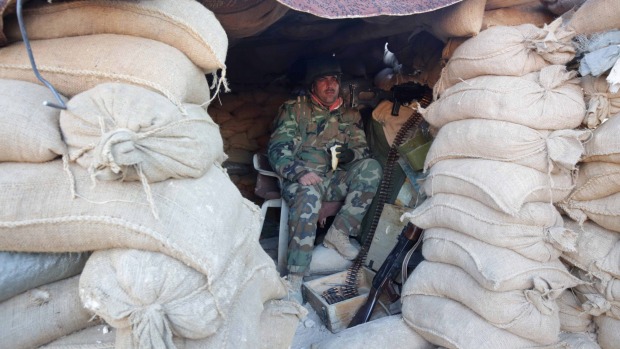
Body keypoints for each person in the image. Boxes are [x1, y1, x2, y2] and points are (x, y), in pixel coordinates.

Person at [267, 56, 382, 302]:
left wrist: (351, 154)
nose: (330, 85)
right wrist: (299, 172)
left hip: (334, 178)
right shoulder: (295, 110)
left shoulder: (350, 115)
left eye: (334, 80)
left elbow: (363, 151)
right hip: (304, 179)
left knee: (371, 167)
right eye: (323, 80)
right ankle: (296, 277)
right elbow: (278, 150)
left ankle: (338, 233)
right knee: (308, 196)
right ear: (313, 85)